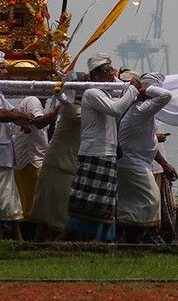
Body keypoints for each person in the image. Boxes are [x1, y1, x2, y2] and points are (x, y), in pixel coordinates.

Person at [65, 53, 140, 241]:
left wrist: (126, 87)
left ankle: (101, 240)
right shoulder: (92, 93)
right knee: (89, 200)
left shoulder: (106, 94)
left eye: (110, 70)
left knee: (106, 200)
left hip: (107, 152)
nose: (110, 74)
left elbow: (118, 106)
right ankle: (80, 239)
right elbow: (116, 109)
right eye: (106, 71)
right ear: (96, 75)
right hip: (95, 152)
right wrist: (132, 90)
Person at [0, 51, 37, 240]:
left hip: (2, 156)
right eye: (1, 68)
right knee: (0, 202)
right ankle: (6, 238)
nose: (6, 70)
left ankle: (15, 239)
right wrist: (21, 117)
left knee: (9, 200)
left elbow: (10, 111)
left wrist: (23, 123)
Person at [116, 72, 176, 244]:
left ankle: (126, 238)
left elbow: (148, 140)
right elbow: (166, 96)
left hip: (130, 164)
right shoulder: (141, 110)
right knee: (151, 200)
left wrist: (164, 164)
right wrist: (143, 89)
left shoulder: (132, 109)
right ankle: (141, 237)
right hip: (134, 165)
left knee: (128, 205)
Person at [29, 94, 82, 241]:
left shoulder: (74, 107)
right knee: (55, 209)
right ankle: (47, 243)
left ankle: (43, 243)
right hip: (60, 163)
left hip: (63, 163)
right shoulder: (73, 108)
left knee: (51, 208)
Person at [11, 95, 56, 224]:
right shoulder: (33, 100)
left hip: (30, 160)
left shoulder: (30, 103)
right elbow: (39, 123)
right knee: (34, 204)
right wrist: (56, 111)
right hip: (31, 160)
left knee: (29, 202)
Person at [151, 119, 177, 243]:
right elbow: (136, 138)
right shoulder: (138, 111)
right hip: (150, 168)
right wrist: (155, 138)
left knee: (165, 206)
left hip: (158, 169)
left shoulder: (158, 112)